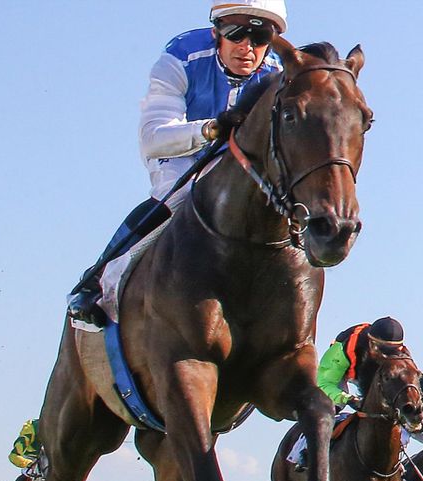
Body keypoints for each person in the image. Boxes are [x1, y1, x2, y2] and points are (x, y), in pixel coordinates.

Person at [67, 0, 288, 326]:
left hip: (234, 167)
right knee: (182, 195)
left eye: (259, 37)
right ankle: (101, 282)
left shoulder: (276, 76)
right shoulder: (181, 56)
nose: (247, 48)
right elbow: (155, 135)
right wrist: (210, 129)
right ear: (216, 33)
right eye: (237, 34)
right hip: (179, 156)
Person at [293, 317, 407, 471]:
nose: (383, 357)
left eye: (390, 352)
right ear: (371, 342)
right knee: (329, 406)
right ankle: (304, 449)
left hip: (379, 377)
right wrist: (347, 398)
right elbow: (324, 383)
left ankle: (396, 457)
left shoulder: (403, 357)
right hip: (343, 373)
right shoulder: (346, 348)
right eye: (381, 350)